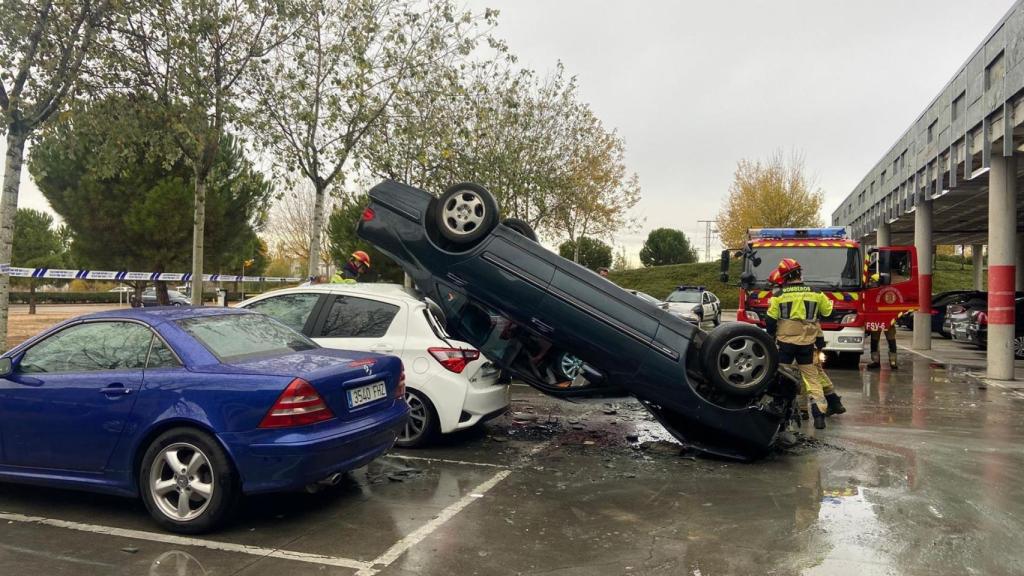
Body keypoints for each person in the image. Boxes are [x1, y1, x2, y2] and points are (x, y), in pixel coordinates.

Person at [765, 258, 838, 430]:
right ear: (799, 272)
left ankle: (781, 409)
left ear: (784, 277)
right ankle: (819, 416)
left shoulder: (778, 296)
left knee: (783, 376)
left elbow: (770, 320)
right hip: (807, 344)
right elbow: (829, 313)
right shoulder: (816, 293)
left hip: (785, 344)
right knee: (812, 379)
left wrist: (771, 336)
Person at [865, 273, 899, 370]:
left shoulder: (889, 293)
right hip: (876, 320)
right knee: (874, 341)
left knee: (891, 340)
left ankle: (893, 361)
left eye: (873, 282)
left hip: (888, 320)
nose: (871, 284)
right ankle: (876, 361)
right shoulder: (871, 293)